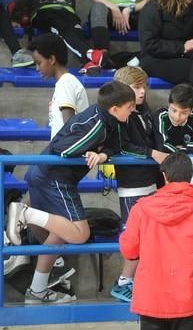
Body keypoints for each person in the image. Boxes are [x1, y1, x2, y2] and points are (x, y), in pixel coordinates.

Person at [5, 81, 135, 304]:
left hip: (42, 175)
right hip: (55, 179)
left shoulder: (109, 120)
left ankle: (36, 291)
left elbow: (116, 145)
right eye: (130, 106)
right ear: (115, 108)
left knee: (58, 234)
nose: (132, 110)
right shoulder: (98, 125)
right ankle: (25, 214)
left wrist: (102, 154)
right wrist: (92, 150)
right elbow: (64, 149)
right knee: (79, 234)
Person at [119, 151, 193, 330]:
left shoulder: (141, 208)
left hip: (152, 295)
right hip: (192, 294)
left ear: (165, 176)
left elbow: (129, 250)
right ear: (190, 176)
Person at [110, 66, 169, 303]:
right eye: (136, 88)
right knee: (135, 237)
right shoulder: (119, 117)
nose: (142, 92)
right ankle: (124, 281)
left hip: (150, 183)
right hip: (133, 185)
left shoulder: (144, 112)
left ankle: (140, 280)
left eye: (143, 86)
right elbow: (122, 147)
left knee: (150, 236)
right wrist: (151, 152)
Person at [27, 33, 88, 139]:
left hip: (64, 151)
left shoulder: (66, 83)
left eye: (39, 63)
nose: (37, 68)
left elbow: (69, 126)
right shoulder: (64, 82)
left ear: (51, 59)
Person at [154, 83, 193, 155]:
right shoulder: (161, 115)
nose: (177, 117)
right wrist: (190, 149)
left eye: (184, 113)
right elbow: (162, 147)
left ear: (191, 110)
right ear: (168, 104)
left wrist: (184, 147)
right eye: (174, 110)